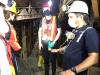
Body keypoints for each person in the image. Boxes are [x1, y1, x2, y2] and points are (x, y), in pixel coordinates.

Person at [51, 1, 99, 75]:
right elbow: (71, 47)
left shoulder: (89, 31)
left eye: (71, 17)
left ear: (80, 17)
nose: (69, 19)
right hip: (67, 70)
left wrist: (73, 71)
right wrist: (59, 50)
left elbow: (94, 58)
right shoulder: (75, 30)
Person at [38, 1, 61, 75]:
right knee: (46, 61)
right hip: (44, 43)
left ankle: (53, 73)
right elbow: (39, 31)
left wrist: (54, 41)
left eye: (46, 8)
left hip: (52, 43)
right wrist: (39, 42)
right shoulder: (42, 19)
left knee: (53, 60)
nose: (47, 17)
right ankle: (46, 73)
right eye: (44, 9)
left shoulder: (55, 19)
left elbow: (59, 31)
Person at [0, 0, 14, 75]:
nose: (14, 17)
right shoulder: (5, 25)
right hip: (5, 48)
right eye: (13, 15)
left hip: (6, 48)